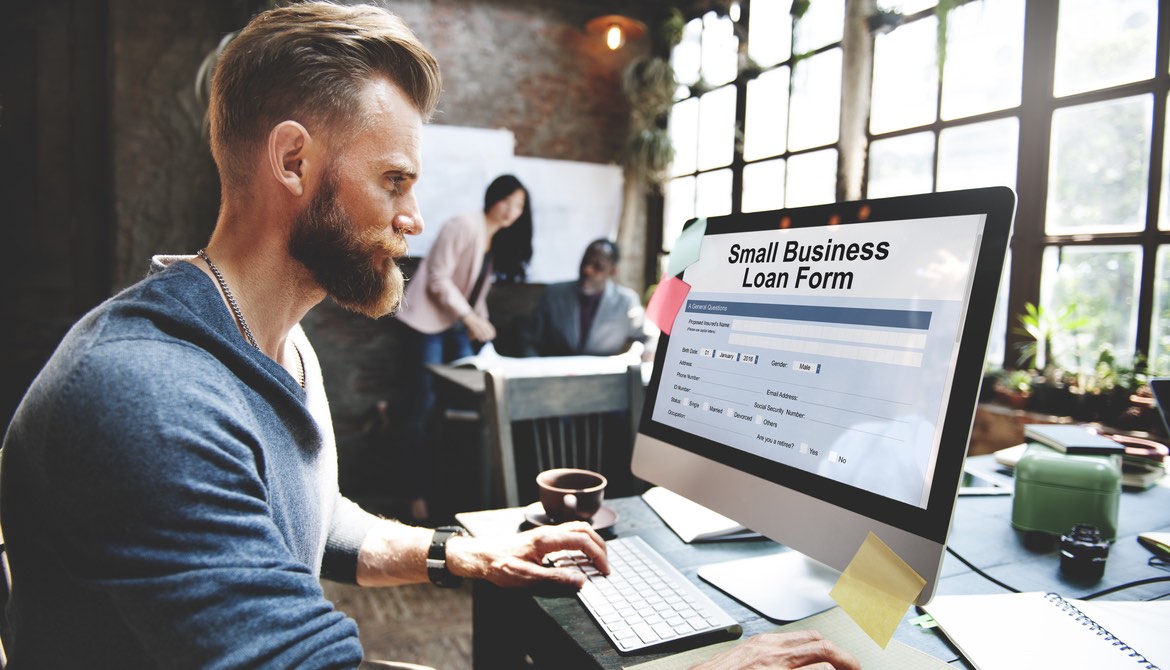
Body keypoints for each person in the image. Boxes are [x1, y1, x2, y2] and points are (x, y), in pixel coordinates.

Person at [0, 4, 858, 669]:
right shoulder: (146, 399)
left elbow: (315, 522)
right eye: (395, 180)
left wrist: (467, 554)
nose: (413, 218)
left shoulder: (277, 345)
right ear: (292, 162)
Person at [393, 174, 531, 521]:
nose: (512, 211)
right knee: (421, 407)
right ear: (493, 197)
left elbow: (475, 293)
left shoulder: (492, 239)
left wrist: (481, 325)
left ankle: (449, 491)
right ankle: (413, 493)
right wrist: (471, 318)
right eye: (508, 202)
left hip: (454, 326)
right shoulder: (463, 225)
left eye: (520, 206)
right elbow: (438, 278)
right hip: (426, 324)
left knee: (458, 408)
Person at [523, 238, 652, 359]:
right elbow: (528, 339)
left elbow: (649, 337)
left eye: (598, 266)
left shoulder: (626, 301)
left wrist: (648, 351)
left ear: (612, 271)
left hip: (604, 377)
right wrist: (537, 369)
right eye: (585, 262)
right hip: (556, 375)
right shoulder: (554, 294)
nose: (587, 270)